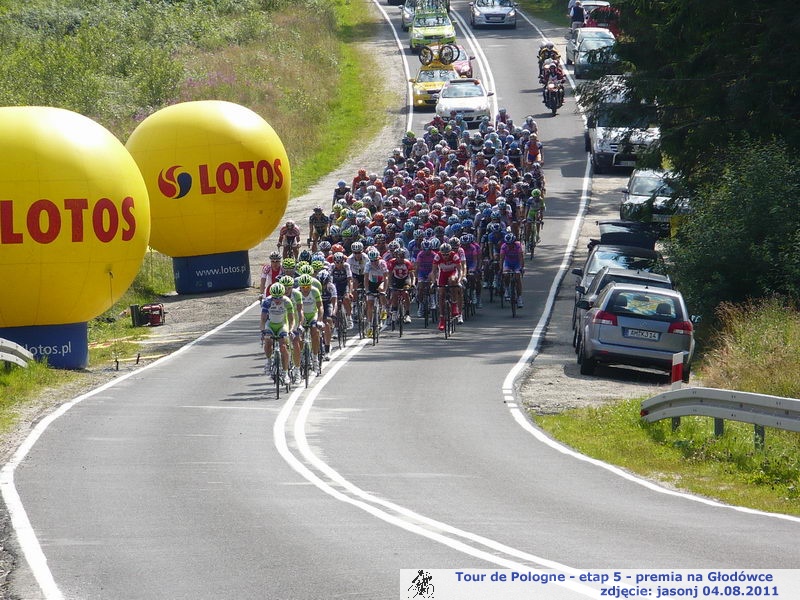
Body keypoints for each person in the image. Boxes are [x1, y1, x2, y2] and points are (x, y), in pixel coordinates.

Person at [260, 282, 294, 385]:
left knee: (283, 346)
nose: (277, 300)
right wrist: (262, 331)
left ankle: (285, 373)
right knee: (268, 341)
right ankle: (269, 361)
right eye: (275, 298)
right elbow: (263, 319)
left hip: (282, 325)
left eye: (279, 297)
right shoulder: (267, 302)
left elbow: (291, 319)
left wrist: (291, 330)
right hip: (270, 324)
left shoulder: (287, 302)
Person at [431, 242, 462, 330]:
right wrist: (434, 282)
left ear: (450, 252)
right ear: (440, 253)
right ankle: (442, 319)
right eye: (443, 254)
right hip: (443, 274)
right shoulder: (437, 256)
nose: (445, 256)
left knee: (453, 281)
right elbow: (433, 271)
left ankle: (454, 305)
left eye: (447, 254)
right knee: (441, 293)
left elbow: (460, 270)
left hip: (452, 272)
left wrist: (459, 281)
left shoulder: (454, 256)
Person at [295, 274, 324, 363]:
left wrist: (319, 320)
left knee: (314, 331)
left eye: (308, 286)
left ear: (311, 285)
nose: (305, 289)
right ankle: (301, 355)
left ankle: (315, 357)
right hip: (301, 316)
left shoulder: (315, 291)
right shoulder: (296, 293)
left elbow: (320, 307)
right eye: (303, 287)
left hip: (312, 315)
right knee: (299, 336)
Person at [363, 248, 388, 337]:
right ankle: (369, 325)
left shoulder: (382, 263)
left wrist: (384, 290)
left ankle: (384, 309)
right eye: (372, 260)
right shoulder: (368, 264)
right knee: (370, 304)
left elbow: (386, 278)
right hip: (372, 283)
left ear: (378, 258)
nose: (374, 262)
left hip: (381, 281)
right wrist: (367, 291)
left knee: (381, 291)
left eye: (375, 260)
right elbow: (365, 278)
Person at [386, 247, 415, 324]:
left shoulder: (407, 263)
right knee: (394, 293)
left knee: (405, 293)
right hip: (395, 279)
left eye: (402, 256)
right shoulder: (392, 262)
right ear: (395, 257)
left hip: (405, 280)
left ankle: (407, 314)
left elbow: (412, 276)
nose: (400, 258)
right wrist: (389, 285)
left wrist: (412, 284)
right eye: (398, 257)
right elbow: (389, 275)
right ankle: (395, 311)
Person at [500, 232, 524, 308]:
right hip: (508, 263)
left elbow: (521, 258)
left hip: (517, 263)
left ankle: (519, 298)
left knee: (517, 278)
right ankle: (506, 289)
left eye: (510, 244)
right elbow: (501, 259)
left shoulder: (518, 246)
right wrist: (501, 269)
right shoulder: (504, 246)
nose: (509, 245)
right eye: (508, 244)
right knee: (506, 274)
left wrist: (521, 268)